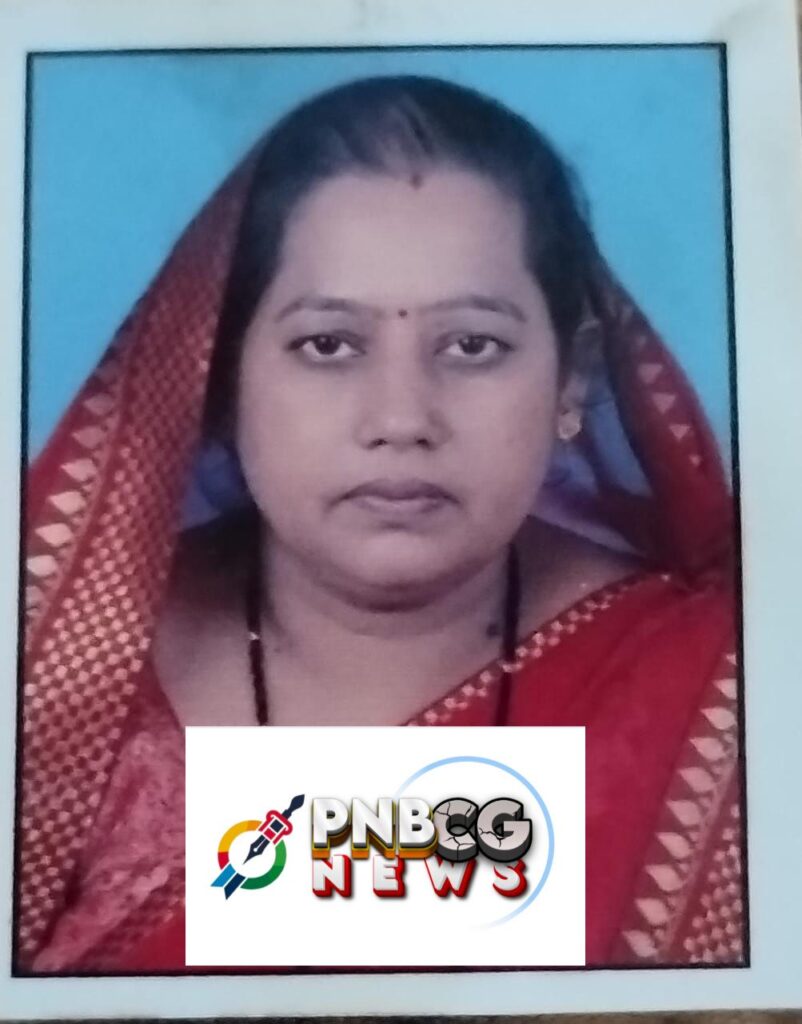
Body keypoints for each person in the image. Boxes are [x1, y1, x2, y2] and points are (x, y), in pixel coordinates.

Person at [18, 75, 743, 973]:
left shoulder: (716, 697)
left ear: (573, 379)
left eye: (472, 345)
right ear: (219, 375)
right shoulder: (59, 675)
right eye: (328, 345)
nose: (401, 418)